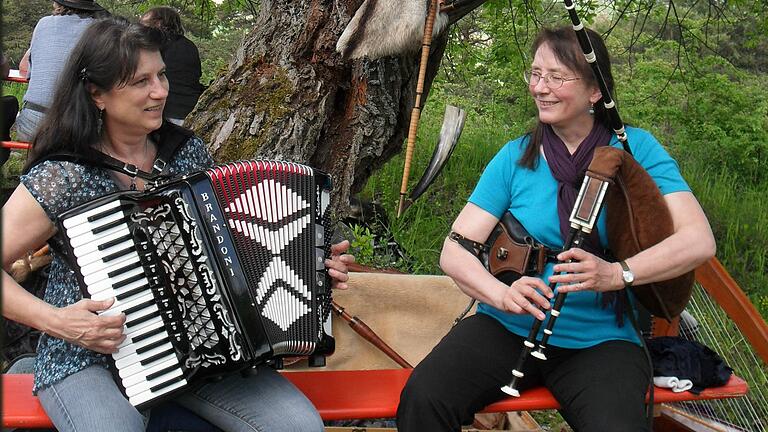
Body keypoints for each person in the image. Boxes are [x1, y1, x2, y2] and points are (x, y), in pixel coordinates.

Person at [1, 17, 355, 432]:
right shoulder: (65, 174)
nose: (160, 91)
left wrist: (309, 266)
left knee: (297, 425)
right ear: (97, 94)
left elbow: (234, 252)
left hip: (197, 353)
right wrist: (57, 321)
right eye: (140, 81)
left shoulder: (186, 155)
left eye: (162, 74)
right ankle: (29, 366)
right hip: (86, 353)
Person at [396, 26, 716, 432]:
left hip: (601, 340)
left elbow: (698, 240)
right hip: (507, 327)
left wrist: (616, 274)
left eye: (556, 77)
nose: (540, 87)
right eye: (535, 74)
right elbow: (454, 250)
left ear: (595, 92)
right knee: (425, 398)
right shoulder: (516, 156)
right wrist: (502, 293)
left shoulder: (636, 150)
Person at [14, 0, 110, 141]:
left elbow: (24, 68)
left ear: (57, 4)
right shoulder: (99, 30)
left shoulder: (43, 24)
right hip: (72, 125)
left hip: (30, 123)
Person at [140, 7, 204, 126]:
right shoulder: (190, 46)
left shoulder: (154, 46)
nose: (141, 27)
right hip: (190, 112)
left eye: (144, 23)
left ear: (159, 22)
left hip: (163, 114)